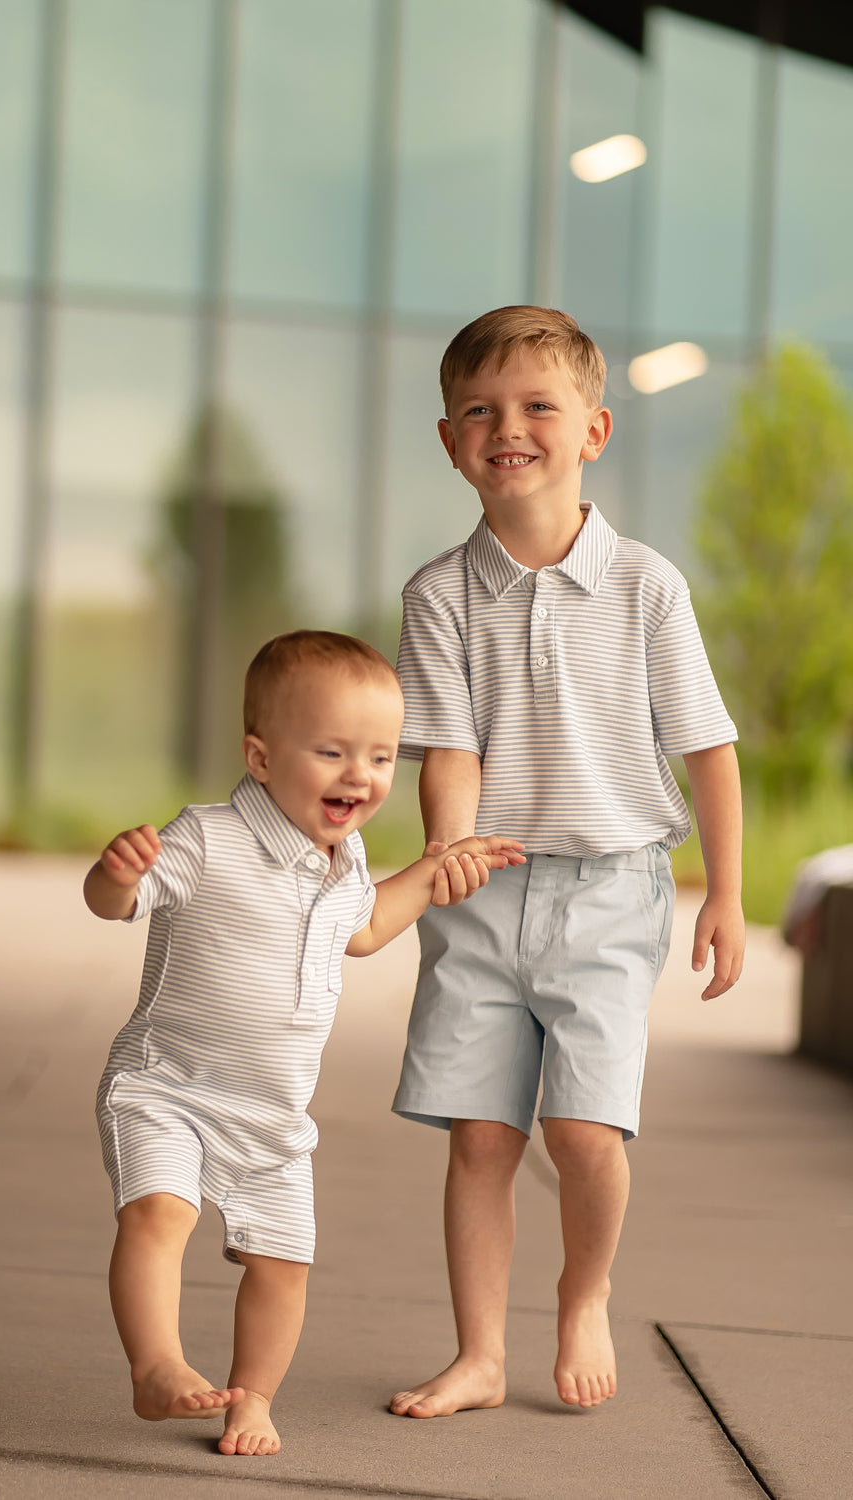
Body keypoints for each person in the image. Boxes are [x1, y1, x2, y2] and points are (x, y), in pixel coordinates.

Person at [387, 306, 744, 1419]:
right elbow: (450, 750)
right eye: (482, 411)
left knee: (585, 1132)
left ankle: (583, 1292)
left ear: (592, 429)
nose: (511, 428)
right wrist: (446, 846)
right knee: (482, 1137)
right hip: (483, 897)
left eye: (539, 406)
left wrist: (726, 895)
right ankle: (479, 1356)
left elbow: (708, 748)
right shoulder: (438, 594)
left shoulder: (645, 585)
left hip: (609, 890)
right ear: (450, 441)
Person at [84, 630, 524, 1457]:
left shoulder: (345, 860)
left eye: (383, 757)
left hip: (274, 1119)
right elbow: (114, 905)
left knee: (282, 1268)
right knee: (160, 1213)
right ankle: (156, 1365)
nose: (360, 776)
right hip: (167, 1087)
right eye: (331, 751)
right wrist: (115, 873)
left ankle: (251, 1400)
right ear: (260, 756)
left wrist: (431, 875)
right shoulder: (208, 839)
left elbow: (361, 931)